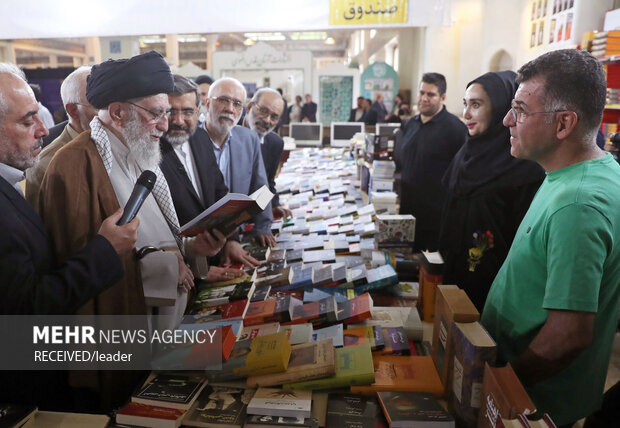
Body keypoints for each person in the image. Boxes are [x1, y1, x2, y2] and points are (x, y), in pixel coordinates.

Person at [481, 49, 620, 427]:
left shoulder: (577, 203)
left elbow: (568, 335)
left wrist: (501, 383)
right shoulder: (583, 174)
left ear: (564, 124)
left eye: (522, 110)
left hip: (534, 404)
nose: (508, 120)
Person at [0, 62, 138, 409]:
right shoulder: (60, 163)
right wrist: (105, 250)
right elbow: (24, 312)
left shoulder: (10, 180)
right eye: (27, 120)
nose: (44, 130)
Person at [438, 71, 545, 311]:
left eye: (476, 105)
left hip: (495, 290)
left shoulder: (524, 168)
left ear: (500, 109)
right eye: (465, 104)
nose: (466, 114)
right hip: (453, 274)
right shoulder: (465, 154)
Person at [160, 74, 260, 273]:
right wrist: (199, 271)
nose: (179, 120)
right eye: (171, 112)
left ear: (198, 111)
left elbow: (219, 193)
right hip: (180, 272)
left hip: (219, 259)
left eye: (187, 112)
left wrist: (230, 240)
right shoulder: (151, 153)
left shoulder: (201, 139)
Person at [394, 72, 467, 251]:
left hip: (436, 213)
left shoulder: (456, 129)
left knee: (431, 267)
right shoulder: (409, 124)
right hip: (408, 208)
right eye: (421, 93)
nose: (424, 98)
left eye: (431, 94)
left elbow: (462, 173)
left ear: (442, 97)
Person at [204, 77, 275, 247]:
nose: (229, 109)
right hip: (202, 237)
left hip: (238, 233)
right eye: (223, 100)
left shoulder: (249, 139)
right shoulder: (191, 141)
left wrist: (263, 227)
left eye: (237, 104)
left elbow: (261, 188)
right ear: (207, 104)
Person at [26, 65, 98, 209]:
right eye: (99, 105)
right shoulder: (46, 166)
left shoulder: (119, 147)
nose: (111, 113)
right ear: (72, 110)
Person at [243, 87, 293, 219]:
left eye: (274, 117)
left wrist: (273, 206)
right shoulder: (228, 135)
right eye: (263, 111)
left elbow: (268, 182)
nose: (267, 120)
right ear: (249, 107)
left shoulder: (275, 143)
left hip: (254, 216)